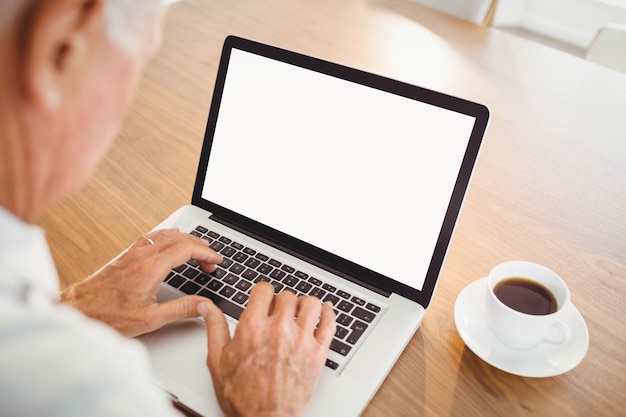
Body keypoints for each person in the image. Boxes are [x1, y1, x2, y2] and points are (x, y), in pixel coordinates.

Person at [0, 0, 336, 416]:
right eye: (144, 54)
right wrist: (267, 407)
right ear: (60, 46)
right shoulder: (88, 392)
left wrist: (75, 309)